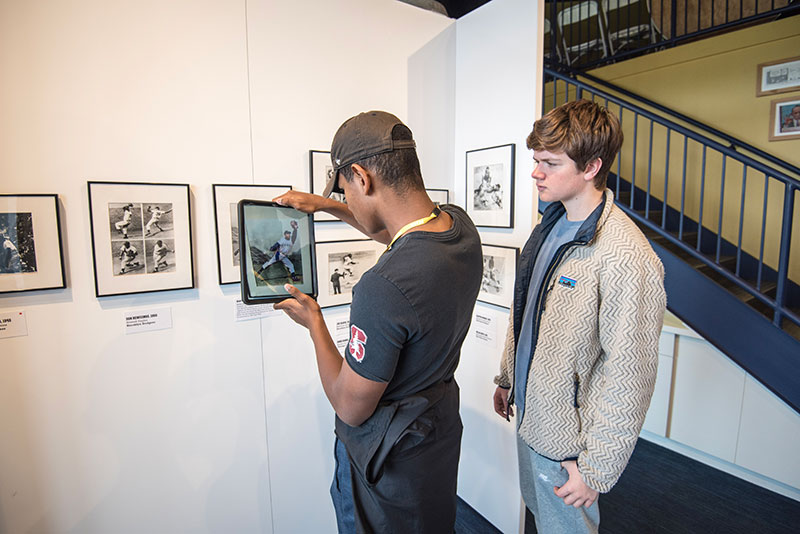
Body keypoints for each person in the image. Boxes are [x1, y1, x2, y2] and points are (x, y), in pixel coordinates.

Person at [273, 111, 482, 533]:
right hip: (434, 434)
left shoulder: (384, 286)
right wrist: (330, 205)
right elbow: (399, 234)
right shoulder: (459, 228)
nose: (347, 198)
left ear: (361, 177)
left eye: (345, 189)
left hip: (387, 463)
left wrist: (315, 323)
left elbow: (350, 406)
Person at [492, 99, 666, 534]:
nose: (536, 173)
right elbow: (527, 313)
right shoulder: (549, 226)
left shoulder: (626, 255)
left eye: (550, 163)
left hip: (569, 440)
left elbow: (630, 371)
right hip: (532, 413)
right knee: (539, 514)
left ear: (591, 167)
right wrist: (508, 376)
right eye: (536, 160)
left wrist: (596, 469)